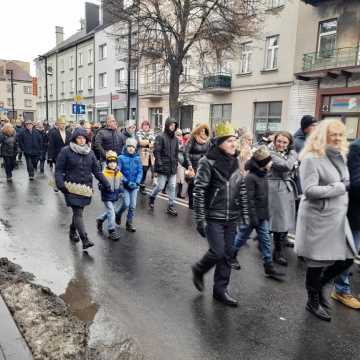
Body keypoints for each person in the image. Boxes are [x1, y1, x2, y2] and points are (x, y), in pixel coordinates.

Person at [295, 119, 357, 321]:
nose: (338, 138)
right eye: (334, 134)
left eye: (341, 135)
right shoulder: (312, 158)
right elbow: (309, 191)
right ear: (323, 136)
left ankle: (319, 286)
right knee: (316, 263)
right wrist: (339, 188)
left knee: (347, 258)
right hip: (318, 218)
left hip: (337, 218)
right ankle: (312, 300)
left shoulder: (340, 156)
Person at [191, 122, 249, 307]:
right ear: (220, 143)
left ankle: (220, 291)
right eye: (230, 141)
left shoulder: (237, 161)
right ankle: (199, 270)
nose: (234, 144)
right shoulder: (207, 162)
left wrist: (245, 214)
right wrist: (200, 219)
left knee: (228, 254)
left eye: (235, 140)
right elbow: (199, 191)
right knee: (217, 252)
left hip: (231, 217)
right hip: (213, 216)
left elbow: (241, 189)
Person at [231, 146, 284, 279]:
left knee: (266, 240)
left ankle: (269, 266)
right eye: (269, 161)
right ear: (263, 163)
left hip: (261, 215)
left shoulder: (264, 175)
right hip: (251, 216)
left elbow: (263, 198)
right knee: (241, 237)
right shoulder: (251, 178)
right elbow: (249, 200)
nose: (272, 163)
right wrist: (253, 218)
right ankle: (231, 256)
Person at [55, 128, 111, 250]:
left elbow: (97, 171)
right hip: (70, 187)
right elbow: (58, 169)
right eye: (79, 138)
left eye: (84, 138)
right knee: (78, 212)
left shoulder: (90, 153)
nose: (81, 140)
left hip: (85, 188)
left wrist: (106, 183)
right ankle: (85, 239)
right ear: (75, 138)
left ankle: (72, 230)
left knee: (78, 213)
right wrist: (60, 184)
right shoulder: (66, 151)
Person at [332, 136, 360, 309]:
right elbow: (355, 184)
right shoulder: (356, 148)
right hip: (355, 212)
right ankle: (341, 290)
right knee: (349, 253)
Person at [268, 131, 298, 266]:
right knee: (279, 219)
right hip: (275, 188)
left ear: (289, 144)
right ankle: (277, 252)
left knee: (285, 217)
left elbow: (292, 168)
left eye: (284, 142)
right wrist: (293, 155)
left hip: (286, 187)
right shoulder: (270, 152)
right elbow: (286, 166)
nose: (281, 144)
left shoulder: (286, 154)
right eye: (279, 141)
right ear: (274, 141)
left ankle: (281, 240)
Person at [149, 117, 179, 216]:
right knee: (160, 186)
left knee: (172, 186)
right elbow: (156, 151)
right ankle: (152, 197)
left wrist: (177, 163)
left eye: (174, 126)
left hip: (172, 167)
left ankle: (171, 206)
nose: (173, 127)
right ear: (167, 125)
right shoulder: (160, 137)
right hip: (163, 166)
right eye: (171, 125)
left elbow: (176, 153)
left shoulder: (175, 139)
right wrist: (160, 164)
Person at [116, 138, 143, 232]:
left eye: (133, 147)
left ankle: (129, 223)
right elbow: (119, 172)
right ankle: (118, 214)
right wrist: (126, 181)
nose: (131, 149)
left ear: (135, 148)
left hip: (135, 185)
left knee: (132, 206)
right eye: (129, 146)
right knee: (126, 204)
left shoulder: (138, 158)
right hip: (125, 185)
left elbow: (140, 171)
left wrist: (137, 181)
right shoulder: (121, 158)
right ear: (126, 147)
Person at [96, 151, 123, 241]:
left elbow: (121, 183)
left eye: (114, 162)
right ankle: (111, 230)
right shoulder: (104, 173)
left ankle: (100, 219)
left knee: (112, 211)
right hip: (107, 196)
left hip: (115, 196)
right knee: (111, 212)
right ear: (107, 163)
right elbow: (100, 185)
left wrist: (121, 191)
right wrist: (104, 187)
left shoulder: (119, 173)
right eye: (110, 162)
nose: (112, 164)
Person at [184, 123, 210, 209]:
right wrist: (189, 165)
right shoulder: (192, 139)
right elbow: (186, 152)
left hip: (203, 165)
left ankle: (200, 202)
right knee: (192, 184)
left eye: (204, 130)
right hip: (193, 165)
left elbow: (209, 153)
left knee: (202, 184)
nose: (203, 132)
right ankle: (191, 203)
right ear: (198, 131)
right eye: (201, 130)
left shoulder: (207, 140)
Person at [137, 120, 155, 194]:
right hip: (143, 156)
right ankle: (141, 186)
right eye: (144, 125)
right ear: (142, 126)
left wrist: (147, 143)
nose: (146, 126)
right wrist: (149, 142)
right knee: (143, 171)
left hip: (151, 156)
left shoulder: (152, 133)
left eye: (147, 125)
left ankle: (154, 183)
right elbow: (141, 142)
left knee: (153, 170)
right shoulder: (139, 133)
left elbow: (154, 143)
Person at [175, 129, 187, 199]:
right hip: (175, 160)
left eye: (180, 135)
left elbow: (185, 150)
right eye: (178, 134)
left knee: (181, 178)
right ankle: (164, 189)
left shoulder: (182, 141)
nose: (179, 136)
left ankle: (179, 193)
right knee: (174, 177)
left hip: (182, 161)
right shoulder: (173, 141)